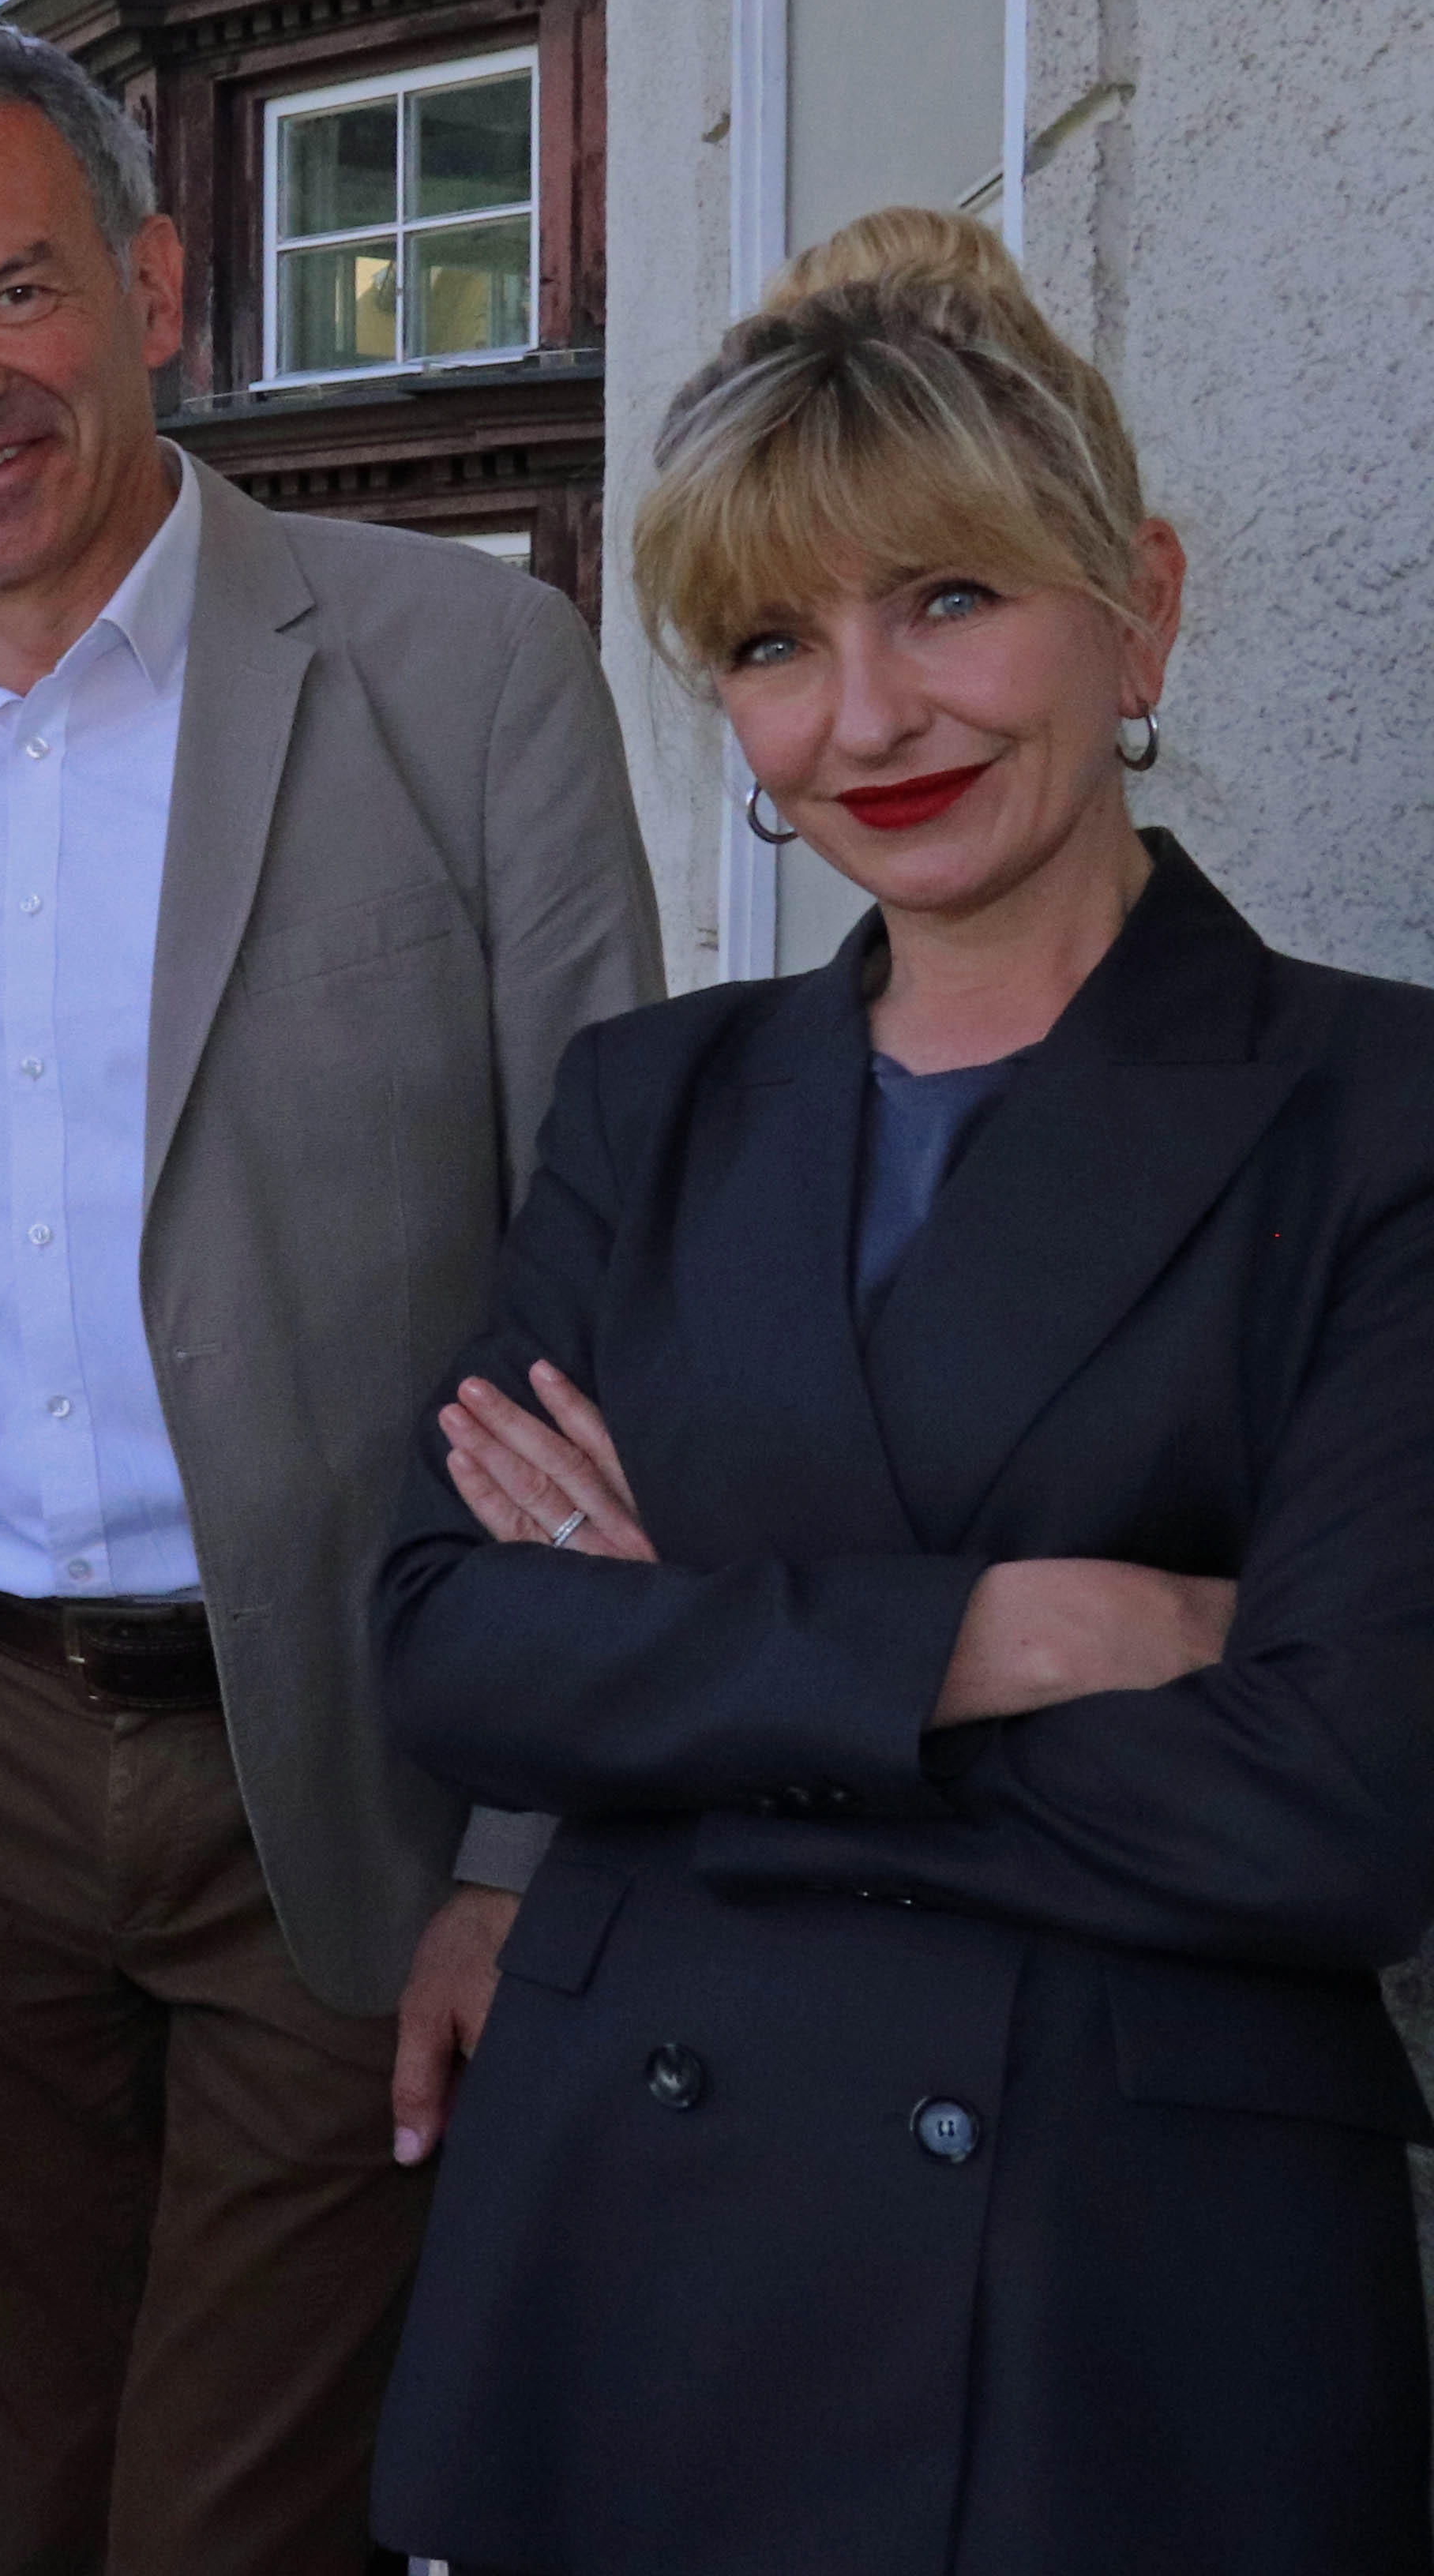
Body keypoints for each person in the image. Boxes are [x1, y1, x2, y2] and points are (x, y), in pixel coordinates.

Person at [367, 210, 1434, 2576]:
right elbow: (450, 1642)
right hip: (637, 2266)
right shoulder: (656, 1101)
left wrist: (696, 1668)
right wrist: (990, 1636)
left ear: (1136, 606)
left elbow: (1343, 1810)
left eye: (947, 600)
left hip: (1109, 2304)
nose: (866, 717)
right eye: (772, 642)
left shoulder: (1378, 1113)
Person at [0, 19, 662, 2573]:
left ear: (150, 280)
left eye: (12, 295)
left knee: (248, 2524)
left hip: (344, 1748)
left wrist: (524, 1853)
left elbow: (614, 1269)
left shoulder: (464, 675)